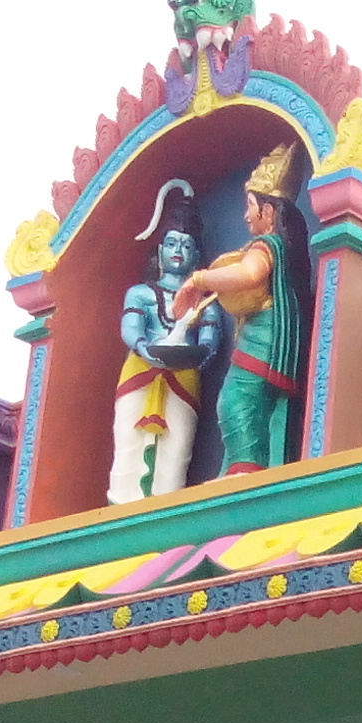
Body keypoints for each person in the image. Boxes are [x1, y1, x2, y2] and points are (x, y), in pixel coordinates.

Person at [165, 146, 307, 474]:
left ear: (269, 212)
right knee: (245, 403)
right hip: (269, 336)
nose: (246, 215)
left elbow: (249, 275)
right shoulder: (285, 249)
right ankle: (244, 468)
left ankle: (245, 472)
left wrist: (198, 280)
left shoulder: (266, 246)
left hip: (262, 338)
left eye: (250, 206)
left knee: (236, 401)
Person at [111, 180, 214, 503]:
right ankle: (122, 506)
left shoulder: (203, 299)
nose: (178, 252)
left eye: (185, 245)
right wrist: (145, 348)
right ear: (160, 250)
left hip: (183, 376)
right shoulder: (140, 293)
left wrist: (200, 354)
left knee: (177, 447)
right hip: (140, 370)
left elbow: (210, 339)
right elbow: (131, 327)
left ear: (196, 253)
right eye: (171, 244)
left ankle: (165, 506)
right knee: (130, 442)